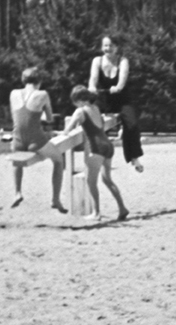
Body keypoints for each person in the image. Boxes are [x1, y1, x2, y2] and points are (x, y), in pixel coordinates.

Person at [67, 86, 128, 222]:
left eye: (74, 102)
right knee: (107, 180)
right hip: (107, 145)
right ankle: (122, 208)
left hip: (96, 147)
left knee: (91, 182)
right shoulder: (96, 108)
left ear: (79, 100)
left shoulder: (80, 111)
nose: (74, 105)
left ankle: (96, 213)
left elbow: (68, 129)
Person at [9, 67, 65, 212]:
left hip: (17, 139)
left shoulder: (13, 93)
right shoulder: (43, 94)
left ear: (23, 80)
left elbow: (18, 117)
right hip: (35, 139)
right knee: (58, 160)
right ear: (39, 81)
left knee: (17, 160)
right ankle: (55, 199)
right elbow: (50, 118)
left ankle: (17, 193)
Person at [89, 35, 142, 173]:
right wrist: (92, 87)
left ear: (117, 47)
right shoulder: (97, 61)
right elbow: (93, 78)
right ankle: (94, 153)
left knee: (132, 124)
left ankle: (134, 156)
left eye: (111, 45)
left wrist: (118, 87)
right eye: (105, 45)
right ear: (102, 47)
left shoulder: (123, 61)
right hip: (104, 100)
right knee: (90, 119)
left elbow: (122, 79)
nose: (108, 48)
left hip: (122, 99)